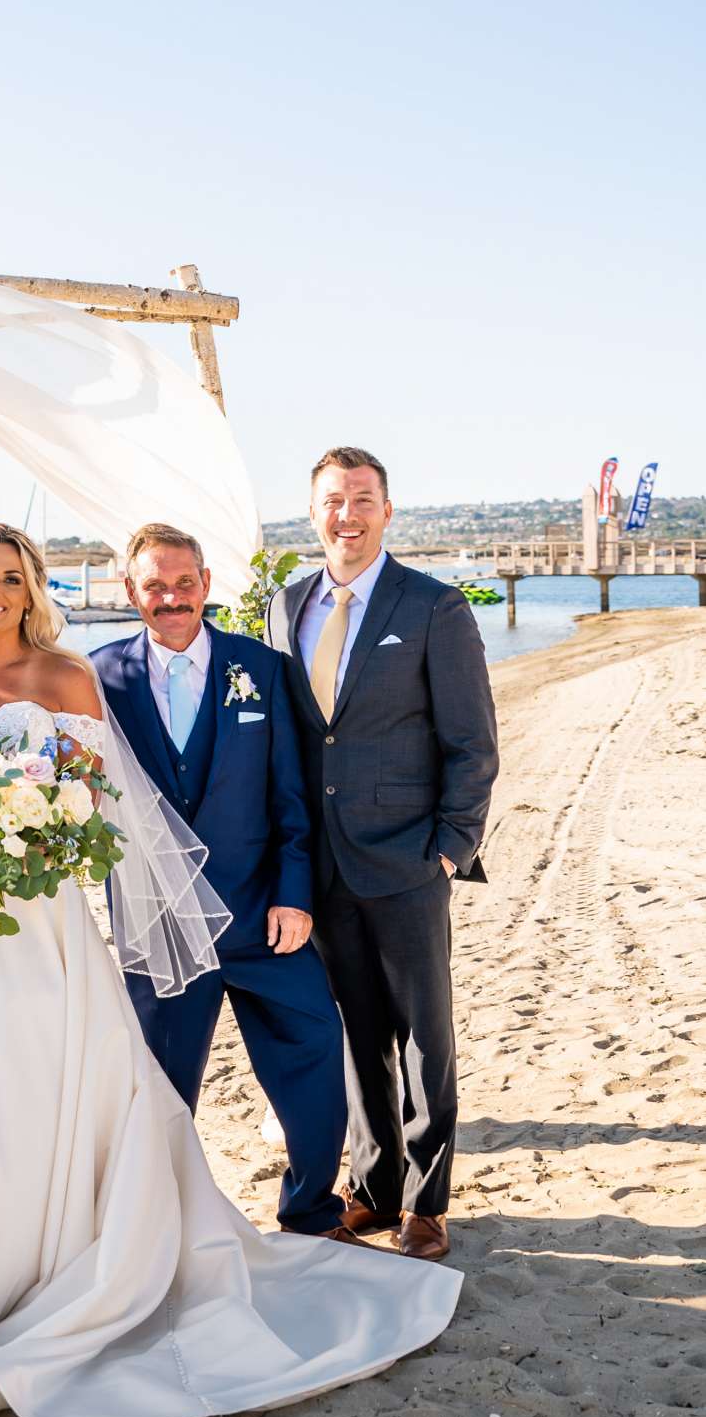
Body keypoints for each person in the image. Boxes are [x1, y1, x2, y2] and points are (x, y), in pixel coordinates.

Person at [0, 524, 461, 1417]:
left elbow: (103, 805)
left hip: (39, 923)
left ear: (34, 587)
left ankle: (310, 1203)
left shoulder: (69, 678)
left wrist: (42, 831)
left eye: (12, 577)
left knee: (60, 1085)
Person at [266, 448, 499, 1262]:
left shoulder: (434, 606)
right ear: (313, 514)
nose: (348, 516)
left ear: (387, 512)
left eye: (363, 500)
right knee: (357, 1032)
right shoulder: (284, 605)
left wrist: (448, 848)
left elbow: (472, 742)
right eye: (333, 501)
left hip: (407, 860)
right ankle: (373, 1188)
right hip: (322, 867)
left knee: (425, 1034)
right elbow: (297, 739)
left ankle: (428, 1202)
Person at [93, 523, 354, 1240]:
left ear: (206, 585)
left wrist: (295, 893)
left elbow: (293, 793)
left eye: (184, 583)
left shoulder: (261, 668)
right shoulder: (96, 677)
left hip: (261, 911)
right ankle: (160, 1221)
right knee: (160, 1084)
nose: (171, 598)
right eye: (155, 586)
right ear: (131, 592)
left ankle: (310, 1208)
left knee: (313, 1050)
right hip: (160, 923)